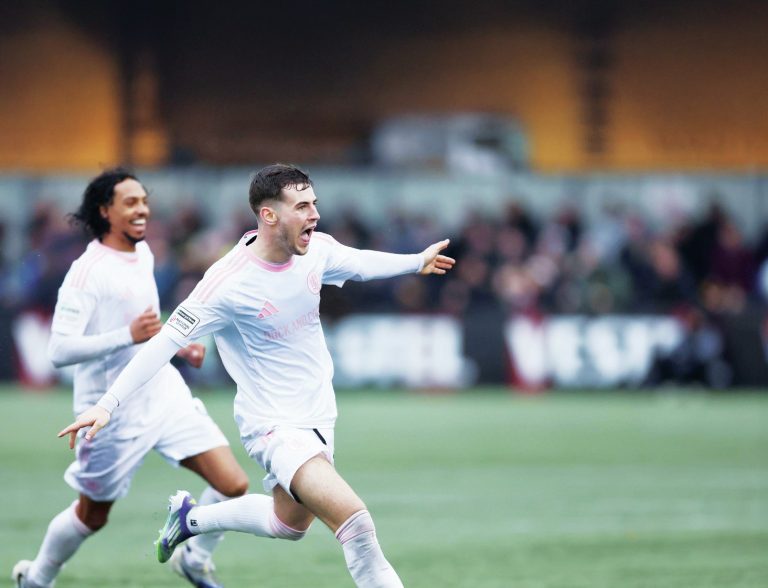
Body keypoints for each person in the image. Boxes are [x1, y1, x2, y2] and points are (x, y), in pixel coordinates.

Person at [58, 163, 456, 587]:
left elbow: (358, 263)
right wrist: (107, 404)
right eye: (302, 206)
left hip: (319, 417)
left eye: (314, 203)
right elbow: (164, 343)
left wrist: (416, 261)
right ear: (269, 215)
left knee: (289, 524)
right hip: (273, 426)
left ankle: (191, 520)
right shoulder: (226, 283)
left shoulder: (316, 250)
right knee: (356, 524)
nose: (314, 214)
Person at [13, 169, 250, 588]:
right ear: (105, 211)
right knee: (92, 516)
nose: (142, 209)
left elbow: (145, 326)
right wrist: (128, 336)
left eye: (144, 200)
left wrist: (177, 346)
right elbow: (58, 350)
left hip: (161, 393)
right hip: (108, 413)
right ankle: (37, 578)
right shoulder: (87, 273)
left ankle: (194, 559)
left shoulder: (143, 254)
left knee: (233, 484)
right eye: (131, 202)